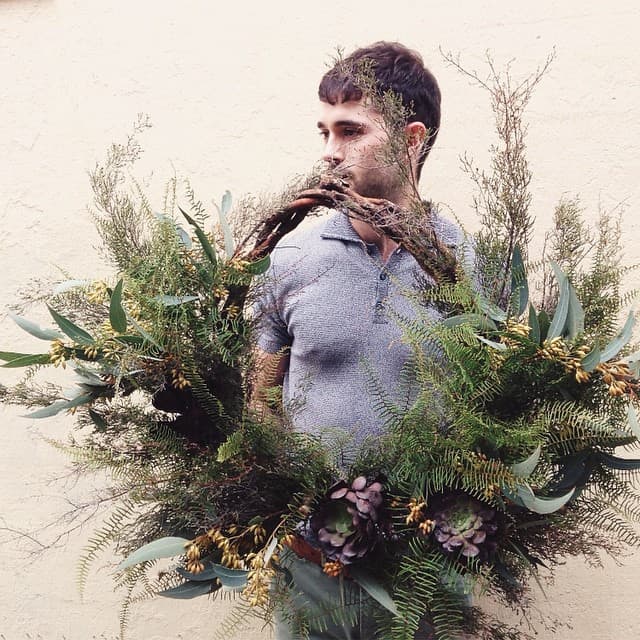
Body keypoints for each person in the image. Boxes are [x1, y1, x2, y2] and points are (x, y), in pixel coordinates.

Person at [253, 41, 471, 639]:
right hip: (311, 562)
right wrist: (293, 499)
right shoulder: (291, 259)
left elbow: (497, 405)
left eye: (350, 131)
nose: (329, 152)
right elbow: (260, 399)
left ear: (411, 139)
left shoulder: (472, 266)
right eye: (323, 131)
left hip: (428, 563)